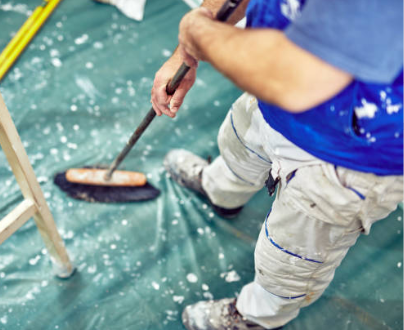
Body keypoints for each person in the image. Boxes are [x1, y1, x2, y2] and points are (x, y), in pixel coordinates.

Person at [150, 0, 404, 329]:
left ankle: (258, 316)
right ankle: (221, 193)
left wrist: (196, 33)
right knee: (237, 149)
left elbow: (299, 77)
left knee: (291, 260)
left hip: (353, 153)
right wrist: (186, 48)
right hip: (271, 92)